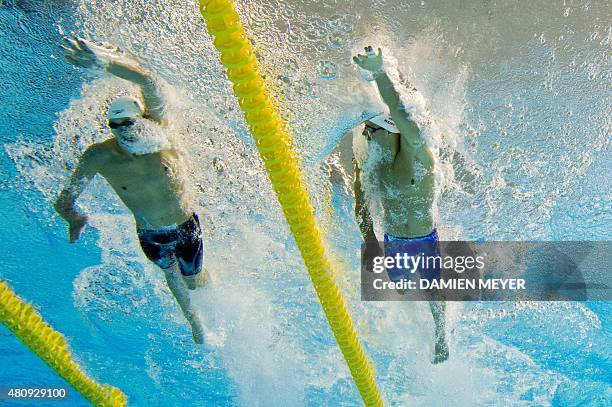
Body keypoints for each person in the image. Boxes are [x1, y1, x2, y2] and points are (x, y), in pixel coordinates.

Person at [54, 35, 207, 344]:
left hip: (185, 225)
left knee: (195, 281)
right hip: (151, 235)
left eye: (129, 122)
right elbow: (64, 200)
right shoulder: (100, 156)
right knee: (171, 276)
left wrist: (105, 63)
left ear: (142, 118)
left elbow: (149, 81)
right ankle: (194, 321)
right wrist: (74, 218)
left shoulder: (159, 130)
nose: (125, 131)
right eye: (117, 126)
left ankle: (210, 296)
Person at [349, 46, 449, 363]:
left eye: (373, 130)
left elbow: (401, 113)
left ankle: (440, 337)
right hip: (393, 240)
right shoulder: (374, 165)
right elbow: (361, 204)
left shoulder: (422, 156)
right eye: (369, 131)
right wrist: (371, 244)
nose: (370, 136)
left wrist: (379, 73)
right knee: (403, 288)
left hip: (424, 239)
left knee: (434, 291)